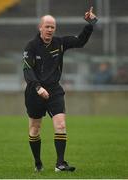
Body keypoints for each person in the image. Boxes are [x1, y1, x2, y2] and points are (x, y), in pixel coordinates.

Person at [23, 7, 97, 172]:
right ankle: (38, 163)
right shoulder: (31, 46)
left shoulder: (60, 43)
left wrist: (90, 24)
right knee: (35, 128)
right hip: (34, 91)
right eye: (47, 26)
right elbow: (27, 69)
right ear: (40, 27)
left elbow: (80, 41)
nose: (50, 29)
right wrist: (37, 87)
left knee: (61, 125)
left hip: (55, 90)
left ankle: (60, 164)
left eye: (52, 27)